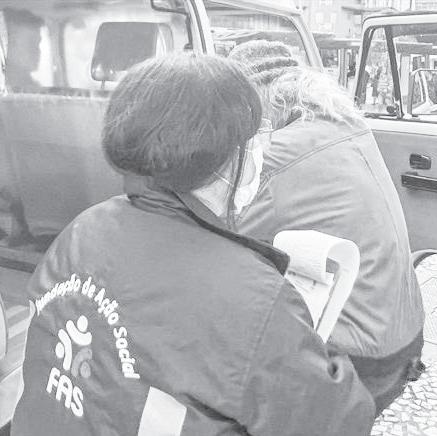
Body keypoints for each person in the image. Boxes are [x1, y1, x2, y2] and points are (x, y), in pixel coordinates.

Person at [11, 54, 375, 436]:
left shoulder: (83, 228)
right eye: (254, 137)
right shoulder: (252, 298)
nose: (258, 149)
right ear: (226, 156)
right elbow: (339, 420)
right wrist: (306, 339)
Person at [229, 40, 425, 414]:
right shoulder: (349, 125)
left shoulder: (272, 154)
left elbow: (220, 243)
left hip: (355, 361)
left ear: (257, 103)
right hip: (405, 339)